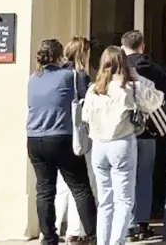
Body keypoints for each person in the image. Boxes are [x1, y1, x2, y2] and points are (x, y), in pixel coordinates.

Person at [83, 46, 165, 245]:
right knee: (124, 200)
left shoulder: (93, 89)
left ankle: (103, 242)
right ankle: (117, 241)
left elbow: (85, 117)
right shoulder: (129, 87)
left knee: (105, 201)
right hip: (121, 143)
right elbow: (156, 100)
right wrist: (137, 78)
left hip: (99, 145)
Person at [26, 39, 98, 245]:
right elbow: (87, 99)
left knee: (45, 190)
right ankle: (93, 236)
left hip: (34, 138)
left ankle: (48, 237)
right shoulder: (71, 76)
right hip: (61, 136)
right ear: (60, 56)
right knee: (80, 188)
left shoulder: (33, 78)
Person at [122, 30, 166, 241]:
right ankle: (142, 223)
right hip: (150, 131)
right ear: (142, 46)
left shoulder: (116, 69)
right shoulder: (158, 71)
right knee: (145, 178)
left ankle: (126, 224)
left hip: (122, 132)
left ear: (123, 46)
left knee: (123, 178)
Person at [56, 37, 94, 243]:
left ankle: (51, 228)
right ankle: (75, 231)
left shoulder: (57, 74)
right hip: (76, 135)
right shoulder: (80, 76)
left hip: (57, 132)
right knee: (78, 185)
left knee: (61, 186)